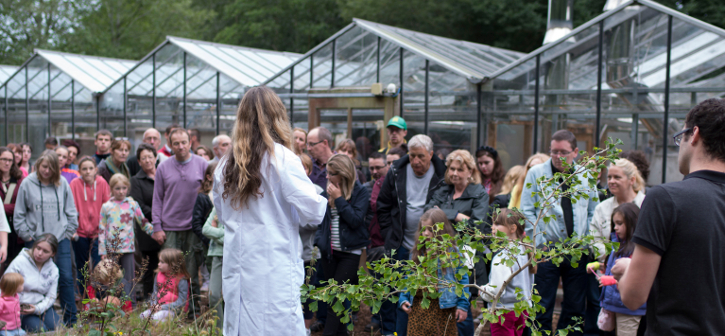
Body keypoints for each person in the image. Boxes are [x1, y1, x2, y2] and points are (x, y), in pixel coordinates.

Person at [212, 86, 326, 335]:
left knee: (241, 326)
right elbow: (314, 212)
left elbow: (222, 214)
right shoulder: (283, 159)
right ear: (277, 117)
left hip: (239, 267)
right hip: (273, 266)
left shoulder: (224, 165)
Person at [612, 99, 725, 335]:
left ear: (694, 134)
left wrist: (625, 271)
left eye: (680, 135)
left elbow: (633, 297)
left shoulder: (666, 199)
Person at [520, 130, 599, 335]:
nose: (558, 157)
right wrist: (536, 246)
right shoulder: (536, 174)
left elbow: (594, 212)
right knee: (542, 305)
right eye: (554, 152)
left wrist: (588, 243)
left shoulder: (585, 175)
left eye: (564, 152)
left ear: (575, 152)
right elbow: (527, 211)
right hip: (547, 250)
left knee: (574, 306)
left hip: (577, 251)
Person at [376, 134, 447, 336]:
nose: (416, 161)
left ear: (431, 155)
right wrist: (389, 234)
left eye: (421, 157)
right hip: (400, 243)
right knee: (394, 292)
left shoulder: (442, 173)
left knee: (423, 293)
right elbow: (383, 205)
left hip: (428, 247)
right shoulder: (397, 170)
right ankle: (391, 331)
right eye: (412, 155)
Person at [423, 149, 487, 336]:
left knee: (461, 304)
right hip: (438, 254)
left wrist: (442, 214)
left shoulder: (478, 193)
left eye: (460, 169)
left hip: (464, 255)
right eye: (451, 168)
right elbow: (428, 213)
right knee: (440, 302)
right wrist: (457, 215)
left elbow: (477, 227)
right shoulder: (443, 189)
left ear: (470, 171)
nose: (454, 173)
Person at [13, 151, 78, 326]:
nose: (47, 171)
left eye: (51, 168)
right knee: (33, 280)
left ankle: (72, 321)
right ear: (38, 165)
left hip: (60, 239)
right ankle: (28, 315)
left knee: (65, 278)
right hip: (36, 241)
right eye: (44, 167)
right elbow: (19, 215)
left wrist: (67, 233)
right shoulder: (27, 183)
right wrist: (28, 236)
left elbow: (71, 212)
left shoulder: (62, 183)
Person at [151, 127, 208, 318]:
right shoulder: (163, 167)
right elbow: (157, 199)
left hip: (194, 227)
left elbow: (209, 195)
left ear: (190, 142)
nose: (181, 146)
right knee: (170, 272)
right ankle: (168, 312)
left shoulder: (202, 164)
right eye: (176, 143)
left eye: (184, 142)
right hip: (170, 227)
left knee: (191, 271)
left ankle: (192, 313)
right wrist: (157, 227)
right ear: (170, 145)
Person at [314, 154, 370, 336]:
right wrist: (320, 242)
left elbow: (355, 220)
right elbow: (321, 223)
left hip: (349, 253)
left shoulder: (360, 192)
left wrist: (338, 200)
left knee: (336, 296)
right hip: (329, 253)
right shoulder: (327, 193)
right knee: (334, 299)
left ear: (343, 174)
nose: (327, 177)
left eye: (332, 173)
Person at [398, 209, 470, 336]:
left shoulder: (452, 253)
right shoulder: (417, 252)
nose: (426, 233)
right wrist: (403, 298)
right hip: (418, 310)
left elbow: (463, 280)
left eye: (430, 230)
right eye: (423, 229)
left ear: (441, 230)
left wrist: (463, 305)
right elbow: (408, 278)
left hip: (443, 309)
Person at [98, 174, 154, 307]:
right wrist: (102, 250)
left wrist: (155, 232)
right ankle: (111, 305)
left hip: (128, 248)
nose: (121, 191)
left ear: (128, 188)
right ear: (111, 189)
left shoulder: (132, 204)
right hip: (111, 249)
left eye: (124, 188)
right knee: (110, 277)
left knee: (128, 278)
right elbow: (101, 229)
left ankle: (129, 304)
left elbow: (143, 222)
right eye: (117, 188)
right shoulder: (107, 206)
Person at [481, 209, 535, 336]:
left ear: (512, 228)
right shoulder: (524, 251)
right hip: (522, 311)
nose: (492, 227)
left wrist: (482, 290)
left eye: (498, 224)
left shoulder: (502, 258)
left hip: (503, 312)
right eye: (492, 223)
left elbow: (496, 291)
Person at [596, 203, 645, 336]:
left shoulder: (638, 249)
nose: (616, 228)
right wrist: (598, 266)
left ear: (633, 223)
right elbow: (615, 268)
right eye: (614, 224)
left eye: (620, 223)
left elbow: (637, 276)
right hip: (614, 305)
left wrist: (610, 280)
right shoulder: (617, 244)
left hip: (628, 308)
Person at [590, 159, 646, 263]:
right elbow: (594, 241)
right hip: (608, 272)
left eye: (617, 177)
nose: (611, 181)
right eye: (609, 177)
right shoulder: (602, 208)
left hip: (638, 268)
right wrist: (613, 258)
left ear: (632, 180)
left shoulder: (646, 204)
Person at [362, 152, 393, 334]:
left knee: (389, 286)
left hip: (388, 243)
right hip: (372, 243)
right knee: (376, 286)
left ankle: (388, 325)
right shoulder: (366, 187)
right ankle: (377, 319)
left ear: (386, 166)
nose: (374, 171)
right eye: (371, 168)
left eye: (377, 167)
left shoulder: (392, 187)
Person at [69, 157, 110, 293]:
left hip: (98, 233)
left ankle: (100, 299)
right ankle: (85, 298)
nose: (87, 172)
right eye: (84, 169)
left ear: (96, 170)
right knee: (82, 268)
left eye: (90, 168)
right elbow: (71, 206)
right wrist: (73, 229)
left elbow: (107, 206)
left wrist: (105, 230)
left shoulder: (102, 183)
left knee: (99, 266)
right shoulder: (74, 184)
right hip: (80, 232)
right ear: (79, 170)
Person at [5, 234, 60, 332]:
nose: (39, 253)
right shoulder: (19, 262)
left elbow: (51, 296)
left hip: (42, 306)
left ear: (53, 253)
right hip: (21, 307)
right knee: (40, 330)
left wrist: (37, 308)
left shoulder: (53, 269)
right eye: (38, 248)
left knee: (58, 328)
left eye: (45, 251)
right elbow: (5, 286)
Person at [128, 144, 162, 301]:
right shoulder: (136, 181)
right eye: (143, 158)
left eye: (150, 157)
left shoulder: (163, 175)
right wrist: (159, 216)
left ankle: (165, 298)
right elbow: (140, 206)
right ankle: (150, 299)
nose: (147, 160)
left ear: (156, 158)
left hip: (168, 226)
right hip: (148, 229)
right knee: (150, 266)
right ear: (139, 162)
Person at [139, 248, 190, 322]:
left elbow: (182, 301)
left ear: (172, 264)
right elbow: (155, 293)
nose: (158, 264)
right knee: (142, 316)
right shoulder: (158, 275)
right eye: (159, 261)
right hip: (158, 307)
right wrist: (153, 305)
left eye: (162, 262)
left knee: (155, 318)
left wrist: (163, 307)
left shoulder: (181, 279)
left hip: (174, 311)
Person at [191, 162, 217, 293]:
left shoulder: (228, 194)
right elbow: (196, 223)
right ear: (209, 177)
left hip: (224, 244)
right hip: (208, 243)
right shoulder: (203, 197)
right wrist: (207, 239)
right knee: (211, 273)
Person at [0, 147, 24, 271]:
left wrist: (2, 208)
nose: (7, 163)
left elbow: (22, 205)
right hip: (0, 227)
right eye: (3, 159)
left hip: (16, 227)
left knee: (13, 263)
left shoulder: (19, 179)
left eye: (10, 160)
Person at [202, 208, 223, 331]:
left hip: (238, 256)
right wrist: (225, 233)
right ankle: (219, 330)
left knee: (232, 295)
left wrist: (215, 233)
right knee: (214, 294)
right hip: (217, 255)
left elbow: (240, 235)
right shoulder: (218, 206)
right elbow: (205, 229)